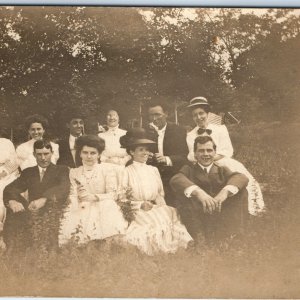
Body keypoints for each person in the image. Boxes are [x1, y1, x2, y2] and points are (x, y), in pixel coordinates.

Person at [185, 97, 265, 216]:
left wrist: (211, 157)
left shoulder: (220, 129)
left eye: (201, 113)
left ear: (207, 113)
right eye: (195, 115)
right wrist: (206, 159)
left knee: (242, 177)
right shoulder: (191, 135)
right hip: (202, 163)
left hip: (222, 160)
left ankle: (252, 209)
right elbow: (192, 155)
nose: (198, 117)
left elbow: (227, 150)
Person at [119, 128, 193, 256]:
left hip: (155, 206)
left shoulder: (153, 170)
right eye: (141, 150)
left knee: (168, 215)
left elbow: (160, 193)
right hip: (138, 209)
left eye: (147, 150)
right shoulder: (125, 171)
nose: (145, 153)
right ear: (132, 152)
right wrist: (140, 204)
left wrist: (160, 205)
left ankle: (179, 246)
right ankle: (160, 249)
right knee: (153, 224)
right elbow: (121, 198)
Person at [170, 136, 249, 240]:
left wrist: (224, 192)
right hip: (199, 214)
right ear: (195, 154)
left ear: (214, 152)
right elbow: (176, 179)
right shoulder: (189, 169)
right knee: (184, 192)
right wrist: (199, 193)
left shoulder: (221, 169)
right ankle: (199, 236)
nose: (206, 154)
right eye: (201, 151)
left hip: (221, 212)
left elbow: (241, 177)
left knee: (241, 190)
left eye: (209, 150)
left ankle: (234, 234)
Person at [59, 134, 128, 246]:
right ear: (80, 154)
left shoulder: (106, 170)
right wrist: (76, 200)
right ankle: (83, 243)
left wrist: (94, 197)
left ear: (99, 154)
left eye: (93, 153)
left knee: (108, 204)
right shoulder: (74, 172)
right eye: (85, 152)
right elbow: (72, 193)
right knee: (75, 210)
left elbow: (113, 194)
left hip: (102, 205)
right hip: (83, 205)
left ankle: (106, 243)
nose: (89, 156)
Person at [3, 139, 70, 250]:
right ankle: (13, 248)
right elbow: (10, 188)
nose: (43, 158)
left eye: (46, 154)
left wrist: (44, 199)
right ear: (34, 155)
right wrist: (12, 201)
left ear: (52, 153)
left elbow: (63, 188)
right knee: (13, 207)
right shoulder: (29, 172)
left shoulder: (61, 170)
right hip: (33, 211)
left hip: (52, 211)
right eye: (39, 154)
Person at [145, 101, 188, 206]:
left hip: (173, 173)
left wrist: (167, 159)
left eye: (157, 115)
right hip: (153, 174)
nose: (154, 119)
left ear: (166, 114)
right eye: (151, 115)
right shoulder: (147, 132)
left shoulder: (179, 130)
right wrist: (147, 156)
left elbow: (185, 156)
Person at [0, 138, 19, 250]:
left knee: (5, 194)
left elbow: (15, 162)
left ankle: (4, 236)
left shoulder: (6, 142)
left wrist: (4, 172)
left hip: (6, 176)